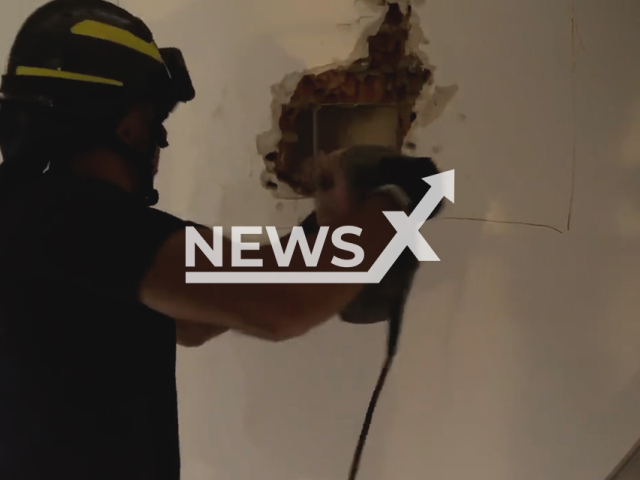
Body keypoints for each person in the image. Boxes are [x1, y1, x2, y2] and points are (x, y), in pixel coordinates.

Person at [0, 1, 440, 479]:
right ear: (124, 122)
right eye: (154, 124)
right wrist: (398, 198)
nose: (157, 147)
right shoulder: (70, 215)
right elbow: (281, 302)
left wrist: (320, 232)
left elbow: (195, 319)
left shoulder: (35, 217)